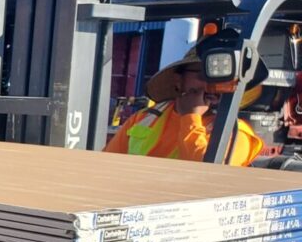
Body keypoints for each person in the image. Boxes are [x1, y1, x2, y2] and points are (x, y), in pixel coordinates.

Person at [105, 39, 263, 166]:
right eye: (203, 75)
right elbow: (107, 165)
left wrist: (191, 116)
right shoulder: (144, 118)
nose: (211, 86)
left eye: (221, 80)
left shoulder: (236, 133)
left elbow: (206, 174)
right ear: (178, 80)